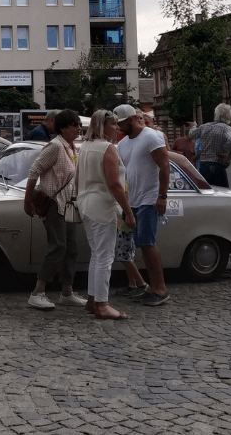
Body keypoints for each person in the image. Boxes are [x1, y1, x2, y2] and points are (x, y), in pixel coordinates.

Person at [23, 109, 87, 310]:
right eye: (75, 124)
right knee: (58, 246)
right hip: (54, 204)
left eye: (79, 124)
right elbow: (34, 171)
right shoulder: (55, 147)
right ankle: (37, 292)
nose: (79, 128)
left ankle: (67, 292)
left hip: (68, 206)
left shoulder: (71, 148)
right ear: (63, 127)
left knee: (71, 248)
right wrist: (28, 200)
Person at [75, 110, 136, 319]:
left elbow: (77, 179)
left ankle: (93, 300)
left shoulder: (85, 147)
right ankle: (102, 304)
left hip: (86, 205)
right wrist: (128, 212)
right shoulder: (107, 148)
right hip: (102, 206)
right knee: (105, 256)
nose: (117, 128)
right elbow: (114, 184)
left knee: (97, 254)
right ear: (103, 126)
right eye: (114, 124)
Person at [114, 104, 170, 306]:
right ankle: (151, 287)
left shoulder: (151, 136)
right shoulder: (123, 143)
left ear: (130, 120)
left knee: (147, 243)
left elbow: (164, 165)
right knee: (141, 245)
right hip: (133, 200)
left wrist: (162, 196)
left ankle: (160, 289)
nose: (119, 127)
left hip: (149, 198)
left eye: (120, 123)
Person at [191, 103, 231, 188]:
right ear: (228, 116)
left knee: (206, 192)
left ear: (216, 114)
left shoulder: (205, 126)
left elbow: (192, 134)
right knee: (221, 193)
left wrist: (194, 126)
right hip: (216, 166)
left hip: (203, 165)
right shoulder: (226, 128)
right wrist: (225, 152)